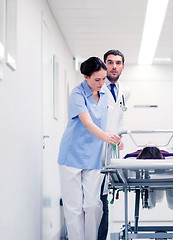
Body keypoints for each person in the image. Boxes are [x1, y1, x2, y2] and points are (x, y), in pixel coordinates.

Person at [58, 57, 121, 240]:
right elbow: (88, 123)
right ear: (86, 77)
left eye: (104, 78)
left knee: (93, 205)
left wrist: (114, 138)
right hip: (71, 157)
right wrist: (106, 136)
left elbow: (101, 126)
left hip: (94, 158)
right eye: (97, 80)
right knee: (74, 208)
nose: (102, 83)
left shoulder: (104, 95)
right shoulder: (77, 94)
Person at [98, 49, 131, 240]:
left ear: (123, 67)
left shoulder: (125, 91)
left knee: (103, 200)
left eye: (118, 63)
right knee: (95, 202)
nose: (114, 66)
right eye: (110, 62)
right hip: (95, 150)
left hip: (109, 151)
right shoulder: (96, 88)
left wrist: (120, 137)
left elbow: (119, 117)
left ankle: (101, 236)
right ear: (104, 65)